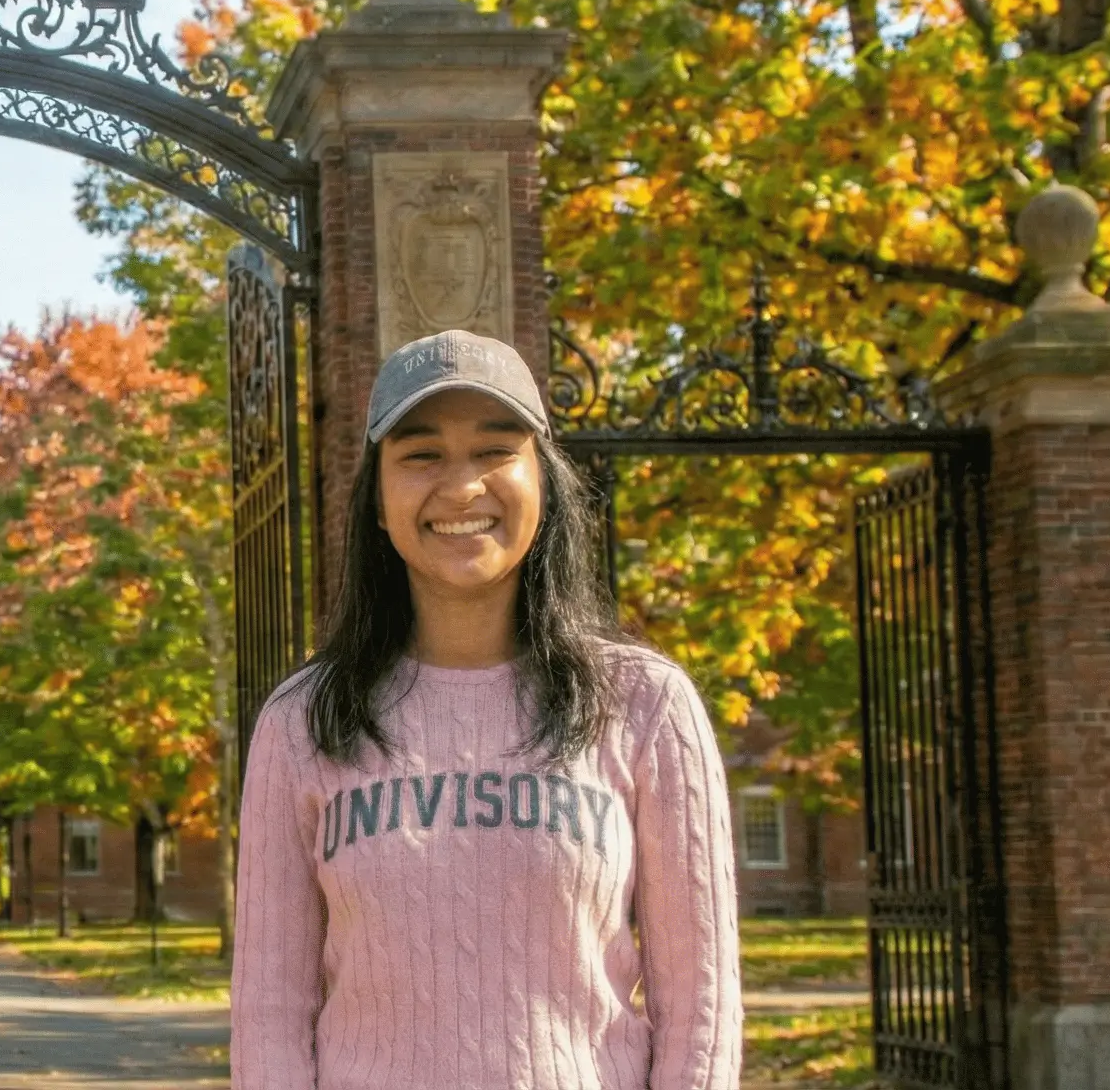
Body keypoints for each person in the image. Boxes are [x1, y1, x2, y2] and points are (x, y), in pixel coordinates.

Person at [232, 330, 741, 1089]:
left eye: (496, 451)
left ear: (544, 482)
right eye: (422, 454)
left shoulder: (645, 705)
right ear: (377, 498)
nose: (462, 486)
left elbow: (700, 1005)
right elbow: (270, 1012)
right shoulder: (303, 721)